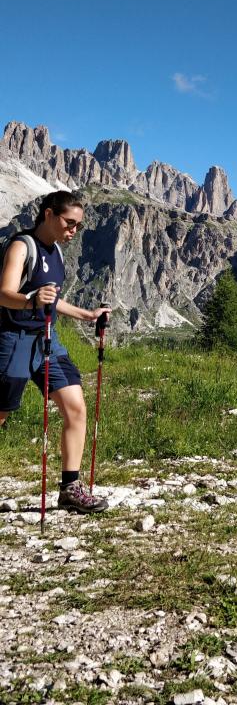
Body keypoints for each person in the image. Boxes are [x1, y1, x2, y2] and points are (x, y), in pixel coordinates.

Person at [0, 190, 110, 514]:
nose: (73, 230)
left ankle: (70, 489)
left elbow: (53, 298)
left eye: (78, 225)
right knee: (1, 413)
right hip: (14, 337)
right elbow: (4, 293)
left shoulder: (57, 251)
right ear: (48, 214)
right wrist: (31, 300)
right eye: (69, 222)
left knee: (75, 406)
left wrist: (87, 314)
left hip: (47, 337)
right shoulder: (22, 246)